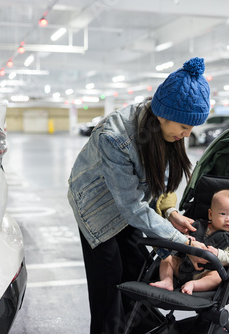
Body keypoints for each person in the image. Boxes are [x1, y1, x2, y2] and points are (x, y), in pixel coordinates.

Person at [68, 57, 211, 334]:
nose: (187, 134)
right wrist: (184, 243)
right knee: (108, 282)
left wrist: (170, 214)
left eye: (191, 128)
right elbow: (132, 206)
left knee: (137, 268)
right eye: (184, 126)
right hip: (96, 208)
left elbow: (163, 180)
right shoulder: (116, 137)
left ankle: (137, 327)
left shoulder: (169, 131)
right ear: (162, 116)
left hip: (131, 204)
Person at [150, 189, 229, 295]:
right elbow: (180, 239)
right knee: (166, 258)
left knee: (217, 277)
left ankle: (194, 285)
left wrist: (218, 254)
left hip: (205, 273)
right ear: (210, 214)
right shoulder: (197, 225)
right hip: (183, 266)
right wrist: (186, 239)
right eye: (223, 214)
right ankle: (167, 281)